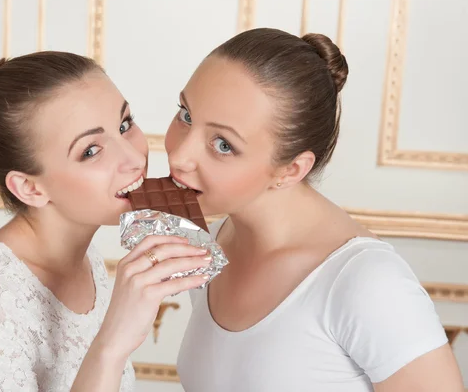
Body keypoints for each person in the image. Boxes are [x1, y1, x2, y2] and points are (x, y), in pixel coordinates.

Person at [167, 28, 465, 391]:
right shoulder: (208, 247)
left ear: (291, 170)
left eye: (223, 145)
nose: (179, 156)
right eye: (186, 115)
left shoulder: (367, 284)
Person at [0, 51, 211, 391]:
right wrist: (113, 343)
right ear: (30, 187)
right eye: (90, 150)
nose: (134, 158)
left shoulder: (88, 261)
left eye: (124, 125)